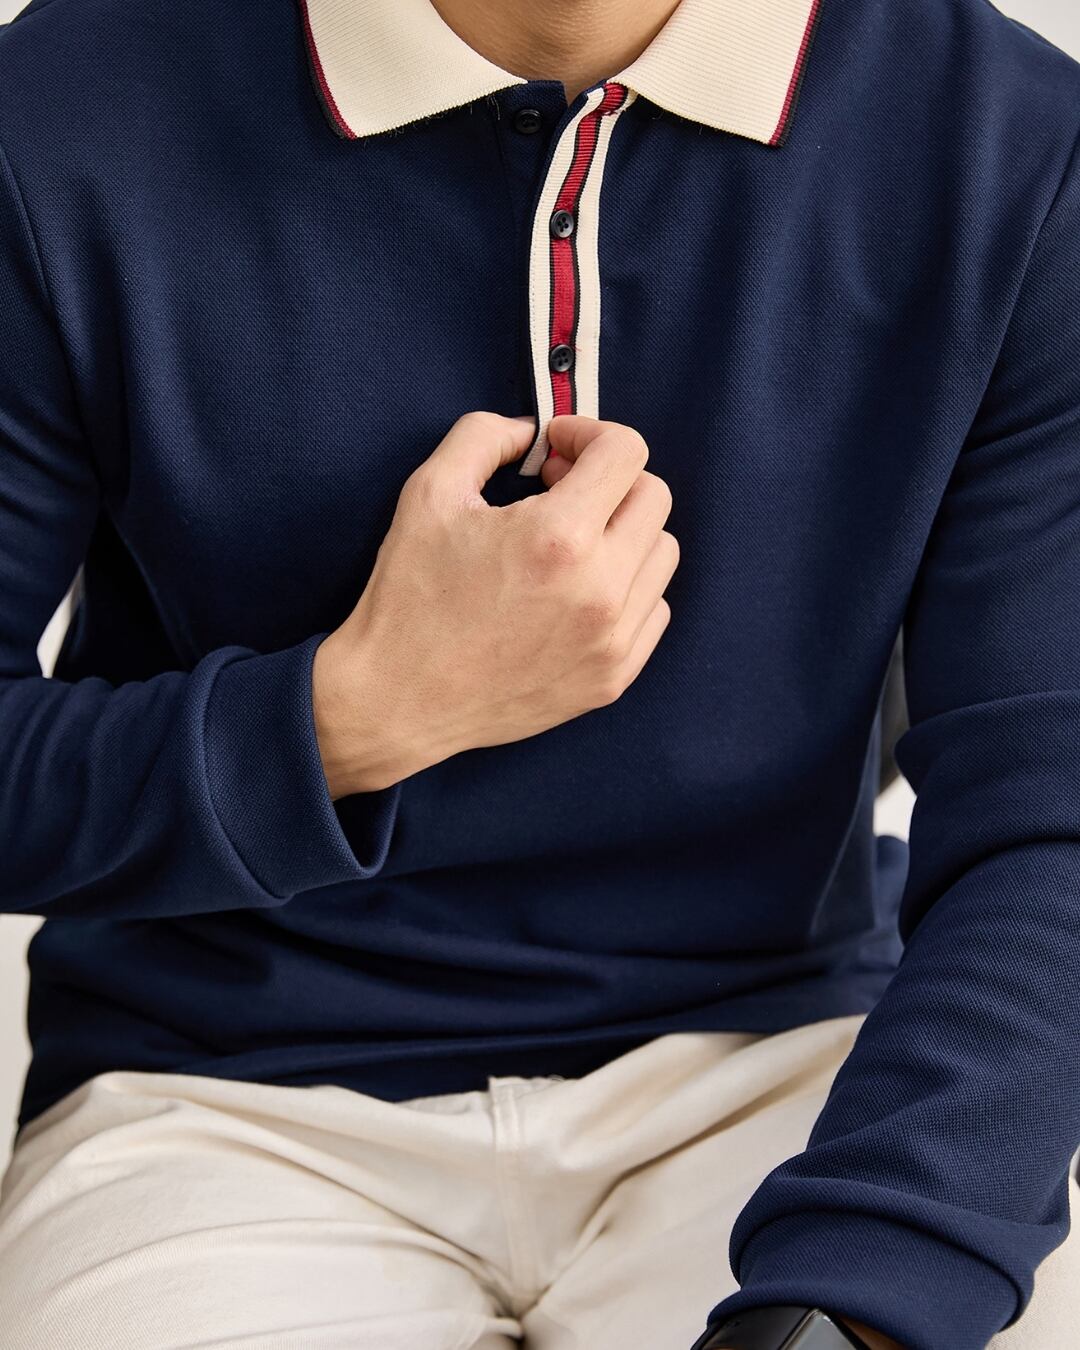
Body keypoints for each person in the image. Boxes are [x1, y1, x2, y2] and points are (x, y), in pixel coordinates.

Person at [0, 0, 1078, 1345]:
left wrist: (874, 1286)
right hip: (218, 1098)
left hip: (784, 1072)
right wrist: (352, 714)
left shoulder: (1012, 144)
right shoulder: (64, 102)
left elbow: (1051, 824)